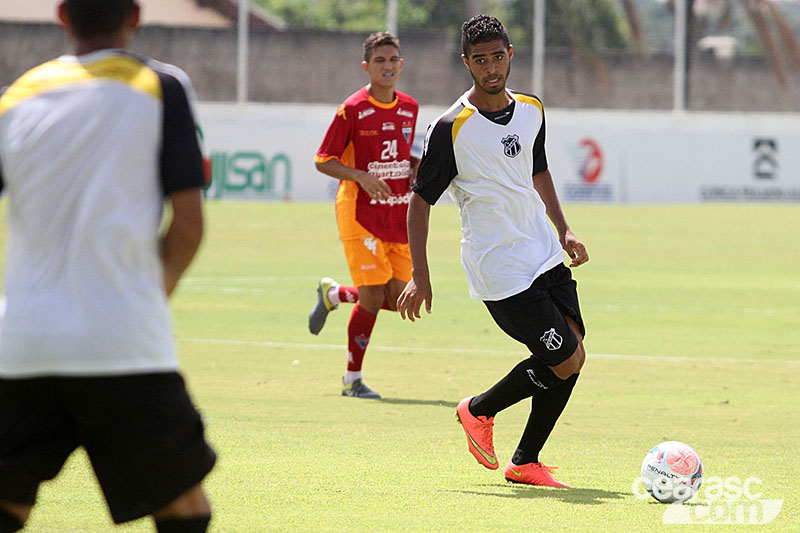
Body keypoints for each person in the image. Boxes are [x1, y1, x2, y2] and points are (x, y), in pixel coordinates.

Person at [0, 1, 216, 531]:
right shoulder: (158, 86)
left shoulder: (16, 97)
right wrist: (152, 292)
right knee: (184, 509)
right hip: (121, 340)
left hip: (23, 344)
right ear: (136, 17)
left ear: (62, 16)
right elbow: (188, 225)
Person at [397, 14, 589, 487]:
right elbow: (419, 203)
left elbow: (538, 171)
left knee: (574, 356)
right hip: (499, 269)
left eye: (497, 57)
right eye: (480, 60)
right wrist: (420, 276)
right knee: (563, 360)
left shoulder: (531, 109)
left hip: (543, 253)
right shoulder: (450, 128)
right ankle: (477, 410)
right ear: (466, 63)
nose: (490, 68)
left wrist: (563, 230)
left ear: (509, 55)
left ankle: (525, 461)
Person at [310, 32, 419, 399]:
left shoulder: (409, 107)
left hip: (396, 214)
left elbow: (399, 155)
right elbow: (323, 159)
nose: (387, 67)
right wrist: (360, 176)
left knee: (400, 298)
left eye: (392, 60)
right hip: (358, 213)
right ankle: (351, 380)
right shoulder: (352, 109)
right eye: (379, 61)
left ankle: (336, 295)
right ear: (366, 67)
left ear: (401, 64)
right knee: (372, 298)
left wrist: (415, 166)